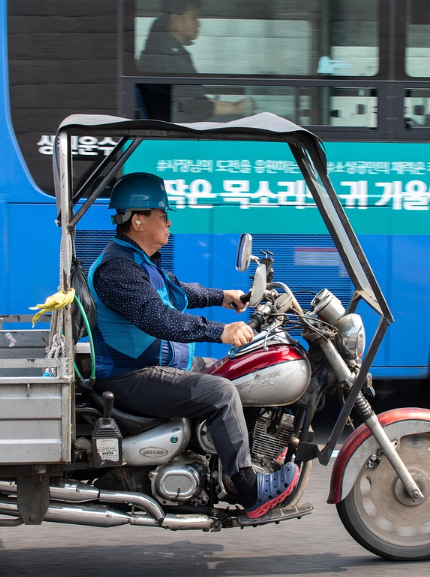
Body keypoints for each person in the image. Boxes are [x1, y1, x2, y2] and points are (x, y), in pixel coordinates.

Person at [87, 172, 299, 518]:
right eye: (163, 214)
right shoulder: (117, 270)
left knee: (237, 371)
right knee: (221, 393)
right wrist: (220, 331)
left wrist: (224, 296)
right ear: (138, 220)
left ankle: (242, 456)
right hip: (131, 376)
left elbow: (179, 291)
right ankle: (249, 490)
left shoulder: (137, 259)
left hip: (159, 365)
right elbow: (158, 318)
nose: (169, 222)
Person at [137, 0, 253, 122]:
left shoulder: (164, 50)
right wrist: (235, 109)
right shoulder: (169, 57)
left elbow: (195, 100)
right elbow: (193, 107)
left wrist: (235, 105)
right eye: (193, 17)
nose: (198, 24)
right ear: (176, 20)